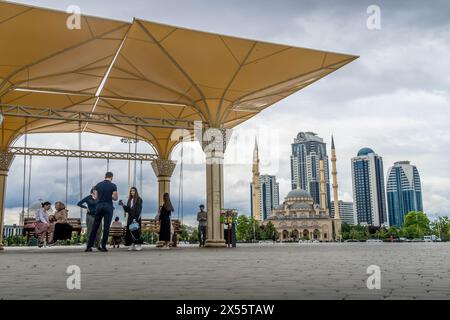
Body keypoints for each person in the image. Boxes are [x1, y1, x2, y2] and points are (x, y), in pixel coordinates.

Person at [85, 172, 118, 252]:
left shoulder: (98, 185)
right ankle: (103, 246)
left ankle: (89, 247)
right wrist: (110, 195)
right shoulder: (113, 186)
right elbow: (115, 198)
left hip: (99, 206)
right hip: (108, 207)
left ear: (105, 176)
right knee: (106, 227)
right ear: (111, 177)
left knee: (95, 227)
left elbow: (96, 197)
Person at [120, 187, 143, 251]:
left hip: (136, 218)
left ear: (136, 192)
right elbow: (128, 210)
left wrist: (135, 218)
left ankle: (139, 244)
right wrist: (123, 205)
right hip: (130, 217)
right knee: (130, 231)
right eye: (131, 191)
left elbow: (139, 209)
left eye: (133, 191)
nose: (132, 192)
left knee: (136, 231)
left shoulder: (139, 199)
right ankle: (132, 245)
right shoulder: (130, 200)